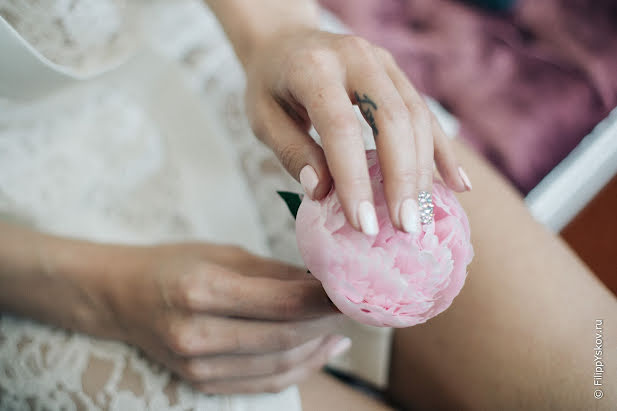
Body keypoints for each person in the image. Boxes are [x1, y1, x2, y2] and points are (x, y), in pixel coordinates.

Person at [0, 0, 614, 410]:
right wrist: (99, 292)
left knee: (596, 379)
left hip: (231, 65)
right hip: (42, 246)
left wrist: (277, 33)